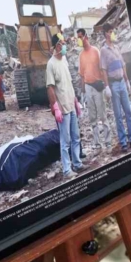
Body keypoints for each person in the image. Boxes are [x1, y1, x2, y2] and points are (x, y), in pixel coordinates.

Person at [46, 33, 84, 179]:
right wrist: (55, 107)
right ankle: (67, 170)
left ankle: (77, 163)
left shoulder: (64, 60)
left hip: (71, 105)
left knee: (76, 137)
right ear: (57, 46)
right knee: (65, 141)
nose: (65, 46)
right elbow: (50, 88)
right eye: (62, 43)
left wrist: (75, 101)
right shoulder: (51, 64)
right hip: (63, 108)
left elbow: (68, 83)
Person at [100, 23, 131, 153]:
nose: (112, 33)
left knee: (128, 112)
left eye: (113, 31)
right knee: (118, 115)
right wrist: (107, 87)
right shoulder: (103, 50)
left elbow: (123, 65)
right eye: (110, 31)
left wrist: (127, 81)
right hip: (114, 84)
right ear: (106, 34)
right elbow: (103, 70)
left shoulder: (116, 47)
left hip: (122, 83)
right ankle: (123, 142)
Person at [77, 29, 111, 149]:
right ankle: (97, 144)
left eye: (80, 37)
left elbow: (102, 69)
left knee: (102, 115)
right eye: (78, 38)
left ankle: (107, 141)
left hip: (98, 86)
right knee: (92, 117)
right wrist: (83, 92)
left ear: (86, 37)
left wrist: (106, 86)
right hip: (88, 86)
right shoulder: (81, 55)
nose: (79, 40)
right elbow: (82, 75)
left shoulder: (95, 51)